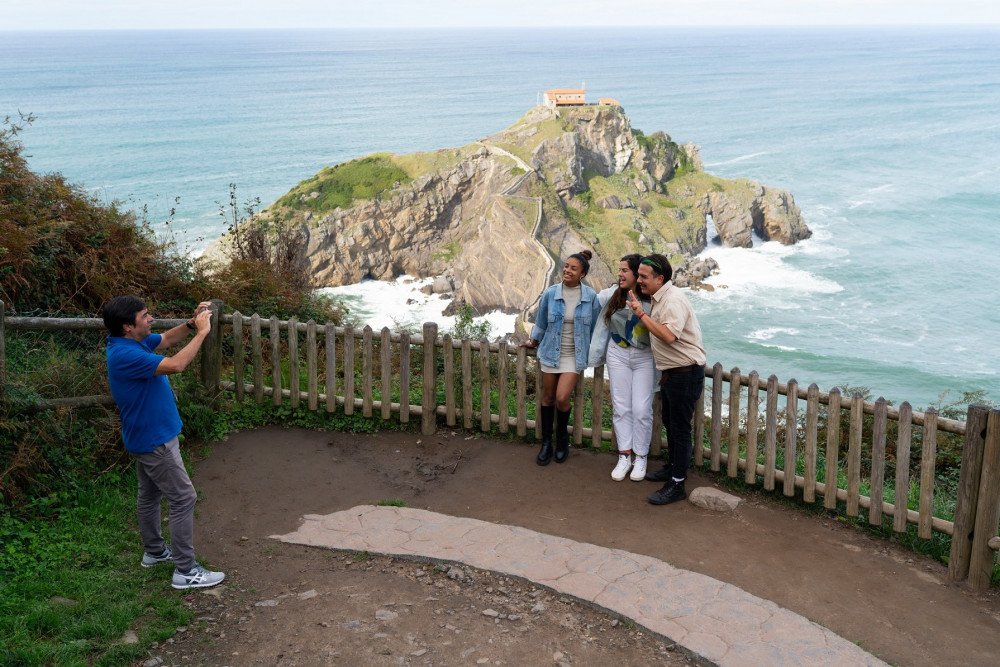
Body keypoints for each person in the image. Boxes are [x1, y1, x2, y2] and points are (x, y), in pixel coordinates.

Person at [103, 295, 226, 589]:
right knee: (184, 498)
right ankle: (185, 570)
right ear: (127, 326)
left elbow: (169, 340)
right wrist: (202, 332)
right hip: (155, 441)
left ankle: (155, 552)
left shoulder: (130, 343)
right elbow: (176, 364)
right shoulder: (126, 355)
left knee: (149, 495)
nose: (151, 319)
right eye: (145, 316)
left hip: (145, 437)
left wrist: (190, 322)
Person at [627, 254, 706, 505]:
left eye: (643, 276)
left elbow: (669, 336)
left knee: (680, 430)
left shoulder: (673, 300)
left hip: (685, 374)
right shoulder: (660, 297)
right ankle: (672, 468)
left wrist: (641, 315)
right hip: (673, 374)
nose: (639, 280)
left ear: (660, 278)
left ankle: (678, 484)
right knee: (671, 425)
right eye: (638, 275)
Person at [521, 250, 602, 465]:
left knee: (561, 398)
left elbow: (595, 328)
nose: (567, 270)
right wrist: (533, 341)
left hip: (574, 356)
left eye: (573, 268)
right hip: (550, 352)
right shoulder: (551, 293)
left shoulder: (591, 297)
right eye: (566, 266)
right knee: (547, 398)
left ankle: (562, 439)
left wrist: (599, 351)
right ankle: (546, 442)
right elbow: (541, 323)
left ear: (582, 274)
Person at [589, 254, 657, 482]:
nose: (619, 274)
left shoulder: (653, 299)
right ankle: (624, 456)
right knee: (621, 407)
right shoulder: (612, 295)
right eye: (619, 270)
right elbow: (588, 300)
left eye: (624, 270)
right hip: (617, 353)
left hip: (644, 357)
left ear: (637, 274)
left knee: (641, 409)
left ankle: (641, 457)